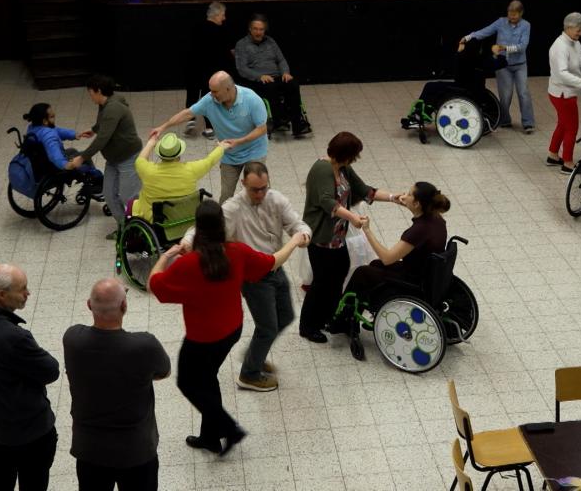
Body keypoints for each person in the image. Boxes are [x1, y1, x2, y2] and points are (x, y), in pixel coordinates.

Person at [148, 200, 308, 456]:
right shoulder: (237, 252)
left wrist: (166, 256)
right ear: (222, 227)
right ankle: (210, 437)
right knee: (207, 378)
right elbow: (273, 261)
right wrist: (294, 241)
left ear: (197, 229)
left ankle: (229, 429)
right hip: (231, 330)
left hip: (202, 339)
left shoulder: (188, 264)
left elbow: (154, 285)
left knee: (188, 383)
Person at [180, 161, 311, 392]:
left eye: (264, 188)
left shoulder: (277, 199)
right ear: (243, 184)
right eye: (254, 189)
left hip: (276, 267)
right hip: (253, 278)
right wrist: (187, 241)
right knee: (268, 327)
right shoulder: (233, 208)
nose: (260, 194)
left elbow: (297, 224)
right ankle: (249, 374)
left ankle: (254, 355)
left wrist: (304, 234)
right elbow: (204, 229)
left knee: (287, 316)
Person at [63, 278, 171, 491]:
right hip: (136, 450)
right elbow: (164, 372)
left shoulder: (73, 338)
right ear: (124, 306)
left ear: (88, 305)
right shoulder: (144, 345)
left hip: (89, 449)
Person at [298, 131, 404, 343]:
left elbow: (365, 190)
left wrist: (394, 198)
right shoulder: (322, 169)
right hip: (321, 237)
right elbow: (328, 202)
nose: (355, 159)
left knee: (338, 276)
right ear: (346, 154)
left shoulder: (344, 168)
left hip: (337, 237)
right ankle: (308, 326)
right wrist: (353, 217)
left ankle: (330, 317)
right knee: (322, 281)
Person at [0, 264, 60, 491]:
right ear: (1, 295)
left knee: (0, 476)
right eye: (22, 288)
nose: (28, 293)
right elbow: (51, 370)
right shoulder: (14, 337)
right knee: (33, 482)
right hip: (30, 432)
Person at [339, 182, 450, 338]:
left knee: (362, 272)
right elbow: (419, 211)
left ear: (418, 203)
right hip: (426, 274)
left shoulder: (418, 231)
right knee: (373, 265)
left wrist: (367, 230)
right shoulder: (435, 218)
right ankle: (362, 310)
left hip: (413, 282)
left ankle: (343, 319)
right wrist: (402, 202)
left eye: (410, 194)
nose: (405, 194)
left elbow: (387, 258)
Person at [152, 71, 269, 200]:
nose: (211, 95)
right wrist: (163, 127)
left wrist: (240, 141)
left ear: (228, 89)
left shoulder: (251, 99)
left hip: (254, 151)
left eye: (215, 91)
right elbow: (187, 114)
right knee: (226, 195)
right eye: (211, 91)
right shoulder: (209, 100)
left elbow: (262, 129)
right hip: (229, 154)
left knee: (253, 192)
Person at [69, 75, 143, 239]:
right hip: (113, 159)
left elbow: (102, 140)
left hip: (128, 157)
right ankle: (126, 229)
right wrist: (95, 129)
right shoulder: (105, 103)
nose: (89, 95)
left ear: (99, 91)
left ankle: (140, 229)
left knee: (128, 196)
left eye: (90, 92)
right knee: (109, 194)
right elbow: (103, 123)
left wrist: (81, 158)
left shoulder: (113, 107)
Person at [460, 0, 533, 132]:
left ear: (521, 13)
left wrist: (504, 47)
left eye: (515, 14)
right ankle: (504, 120)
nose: (511, 17)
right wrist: (468, 37)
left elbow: (522, 46)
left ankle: (528, 123)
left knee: (523, 93)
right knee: (505, 95)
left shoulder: (526, 25)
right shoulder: (500, 22)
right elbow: (484, 32)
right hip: (503, 65)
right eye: (510, 14)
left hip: (520, 65)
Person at [234, 14, 311, 137]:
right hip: (257, 80)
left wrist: (285, 72)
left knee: (293, 85)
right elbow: (242, 69)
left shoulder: (270, 41)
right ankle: (279, 119)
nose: (258, 32)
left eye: (261, 29)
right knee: (271, 88)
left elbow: (281, 60)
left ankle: (298, 124)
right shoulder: (242, 45)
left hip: (276, 76)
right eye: (255, 29)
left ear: (265, 30)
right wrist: (260, 76)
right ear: (250, 29)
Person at [132, 131, 230, 222]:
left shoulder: (148, 171)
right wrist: (221, 147)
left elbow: (140, 160)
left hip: (156, 221)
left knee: (134, 204)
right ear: (179, 155)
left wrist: (151, 142)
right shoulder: (191, 170)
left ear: (160, 155)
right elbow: (209, 161)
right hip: (184, 219)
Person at [22, 103, 103, 196]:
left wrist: (75, 134)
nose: (54, 118)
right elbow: (54, 155)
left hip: (41, 161)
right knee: (85, 155)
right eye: (52, 116)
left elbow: (57, 130)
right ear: (44, 121)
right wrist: (66, 165)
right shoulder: (49, 136)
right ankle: (97, 180)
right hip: (55, 166)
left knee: (72, 150)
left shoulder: (33, 128)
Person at [547, 12, 581, 174]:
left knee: (563, 124)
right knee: (571, 128)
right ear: (568, 27)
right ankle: (568, 163)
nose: (580, 33)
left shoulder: (574, 41)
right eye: (578, 30)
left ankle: (552, 155)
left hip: (566, 92)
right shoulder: (560, 47)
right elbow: (562, 73)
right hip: (562, 93)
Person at [186, 1, 232, 139]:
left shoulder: (196, 27)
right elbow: (224, 53)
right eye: (223, 15)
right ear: (217, 15)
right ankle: (209, 128)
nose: (224, 18)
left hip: (194, 67)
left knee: (192, 94)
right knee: (209, 98)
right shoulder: (220, 31)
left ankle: (190, 120)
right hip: (211, 71)